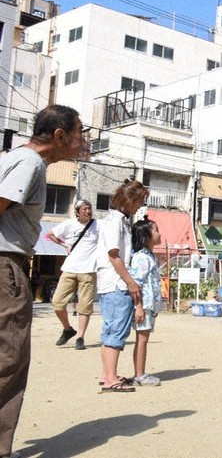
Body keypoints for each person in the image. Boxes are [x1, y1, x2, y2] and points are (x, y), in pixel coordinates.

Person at [0, 104, 83, 458]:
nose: (82, 142)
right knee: (9, 356)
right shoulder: (30, 164)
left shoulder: (14, 158)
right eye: (79, 133)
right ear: (60, 135)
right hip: (6, 265)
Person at [96, 179, 148, 393]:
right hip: (116, 282)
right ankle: (110, 378)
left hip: (112, 282)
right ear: (129, 200)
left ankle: (108, 373)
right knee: (117, 330)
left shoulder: (119, 220)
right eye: (139, 201)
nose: (140, 206)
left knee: (110, 330)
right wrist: (130, 282)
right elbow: (114, 255)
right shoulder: (114, 222)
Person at [47, 199, 99, 351]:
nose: (88, 211)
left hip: (88, 270)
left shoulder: (98, 225)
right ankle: (68, 329)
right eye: (84, 209)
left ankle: (80, 337)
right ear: (77, 212)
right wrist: (65, 245)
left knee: (85, 306)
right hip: (69, 269)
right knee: (57, 302)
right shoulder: (68, 224)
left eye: (89, 208)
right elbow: (50, 235)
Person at [129, 217, 164, 387]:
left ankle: (139, 373)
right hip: (144, 305)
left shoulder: (150, 256)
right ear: (146, 235)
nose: (159, 233)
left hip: (150, 305)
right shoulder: (141, 257)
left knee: (144, 338)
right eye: (156, 230)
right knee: (142, 339)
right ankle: (140, 375)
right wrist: (139, 307)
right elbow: (137, 284)